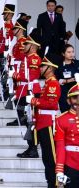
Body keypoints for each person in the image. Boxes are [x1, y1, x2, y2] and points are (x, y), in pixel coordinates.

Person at [26, 53, 61, 188]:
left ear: (50, 68)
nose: (40, 69)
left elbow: (51, 104)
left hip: (48, 124)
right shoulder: (47, 83)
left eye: (43, 66)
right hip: (42, 123)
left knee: (51, 157)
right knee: (46, 157)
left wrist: (34, 100)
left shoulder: (52, 83)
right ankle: (50, 182)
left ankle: (55, 183)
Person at [8, 28, 42, 158]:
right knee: (26, 119)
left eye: (27, 44)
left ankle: (33, 148)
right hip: (24, 90)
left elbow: (31, 76)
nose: (24, 45)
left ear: (33, 46)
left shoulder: (33, 58)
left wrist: (15, 74)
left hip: (30, 90)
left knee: (30, 120)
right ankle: (31, 146)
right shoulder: (28, 57)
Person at [55, 83, 79, 187]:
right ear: (68, 101)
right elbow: (60, 147)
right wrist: (59, 170)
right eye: (75, 98)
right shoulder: (61, 119)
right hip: (71, 163)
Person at [0, 4, 15, 101]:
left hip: (4, 53)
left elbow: (5, 40)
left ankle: (6, 95)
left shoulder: (9, 26)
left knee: (4, 75)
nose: (3, 15)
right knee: (2, 75)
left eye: (5, 13)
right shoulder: (5, 25)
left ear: (10, 14)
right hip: (1, 52)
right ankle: (4, 94)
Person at [55, 44, 79, 113]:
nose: (71, 54)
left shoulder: (77, 63)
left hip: (76, 94)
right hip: (64, 94)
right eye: (68, 52)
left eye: (72, 52)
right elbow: (56, 79)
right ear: (63, 54)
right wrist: (67, 80)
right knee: (65, 113)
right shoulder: (59, 66)